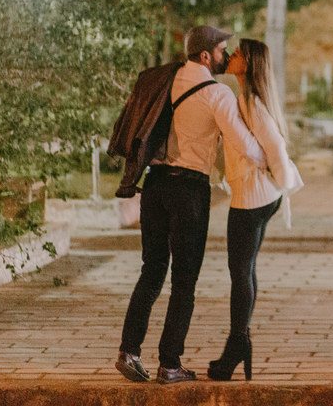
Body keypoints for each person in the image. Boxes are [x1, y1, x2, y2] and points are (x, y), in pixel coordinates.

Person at [115, 25, 259, 385]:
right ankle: (170, 364)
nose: (226, 56)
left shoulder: (167, 79)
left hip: (155, 185)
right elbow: (243, 144)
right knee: (184, 280)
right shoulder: (217, 93)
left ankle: (129, 352)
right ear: (206, 55)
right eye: (222, 50)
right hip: (189, 191)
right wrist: (273, 158)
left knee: (151, 271)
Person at [207, 38, 303, 381]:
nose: (231, 56)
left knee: (240, 272)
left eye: (237, 54)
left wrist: (278, 176)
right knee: (244, 270)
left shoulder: (250, 102)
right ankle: (239, 342)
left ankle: (236, 346)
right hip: (260, 196)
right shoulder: (248, 98)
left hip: (253, 199)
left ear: (248, 64)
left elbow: (274, 145)